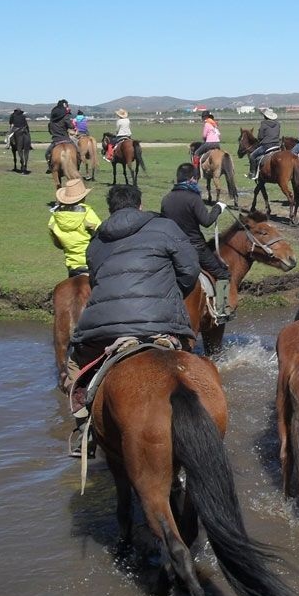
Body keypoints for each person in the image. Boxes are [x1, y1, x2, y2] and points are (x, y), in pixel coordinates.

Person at [68, 184, 200, 455]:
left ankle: (84, 429)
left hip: (104, 328)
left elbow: (96, 281)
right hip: (160, 323)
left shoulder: (97, 242)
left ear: (111, 209)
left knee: (73, 367)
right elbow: (190, 270)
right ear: (140, 205)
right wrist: (170, 295)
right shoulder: (165, 227)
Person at [160, 162, 233, 322]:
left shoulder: (166, 199)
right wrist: (217, 209)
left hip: (171, 247)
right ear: (192, 179)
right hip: (195, 247)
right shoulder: (193, 198)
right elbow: (206, 221)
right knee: (222, 273)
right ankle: (221, 311)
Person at [48, 178, 101, 277]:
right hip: (91, 263)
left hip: (72, 266)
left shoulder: (54, 218)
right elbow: (101, 233)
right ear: (83, 198)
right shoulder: (87, 212)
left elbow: (58, 244)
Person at [249, 107, 281, 180]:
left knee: (252, 156)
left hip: (266, 146)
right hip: (276, 145)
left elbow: (260, 137)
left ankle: (253, 173)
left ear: (265, 116)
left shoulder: (263, 124)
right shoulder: (278, 124)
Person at [45, 99, 75, 172]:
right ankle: (78, 163)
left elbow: (50, 131)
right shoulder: (65, 117)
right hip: (66, 139)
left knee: (47, 154)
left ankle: (50, 166)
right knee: (77, 150)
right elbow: (71, 126)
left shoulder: (51, 120)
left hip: (56, 140)